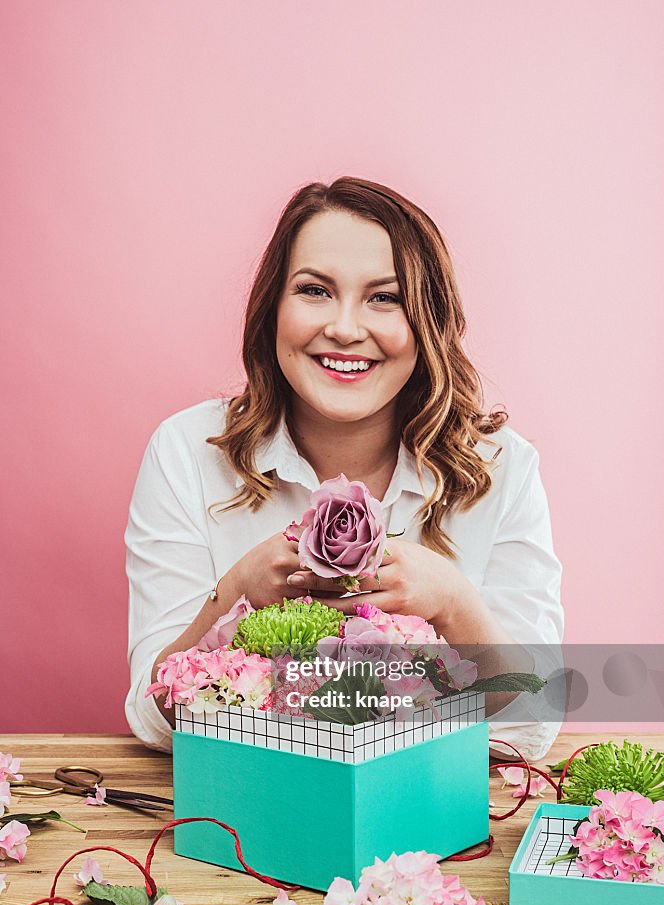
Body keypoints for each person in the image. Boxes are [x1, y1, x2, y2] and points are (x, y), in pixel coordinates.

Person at [124, 176, 564, 760]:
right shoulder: (188, 450)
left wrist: (452, 603)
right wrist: (238, 592)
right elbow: (152, 720)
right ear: (272, 307)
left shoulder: (501, 467)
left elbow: (532, 726)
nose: (346, 328)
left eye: (385, 297)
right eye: (314, 290)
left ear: (428, 321)